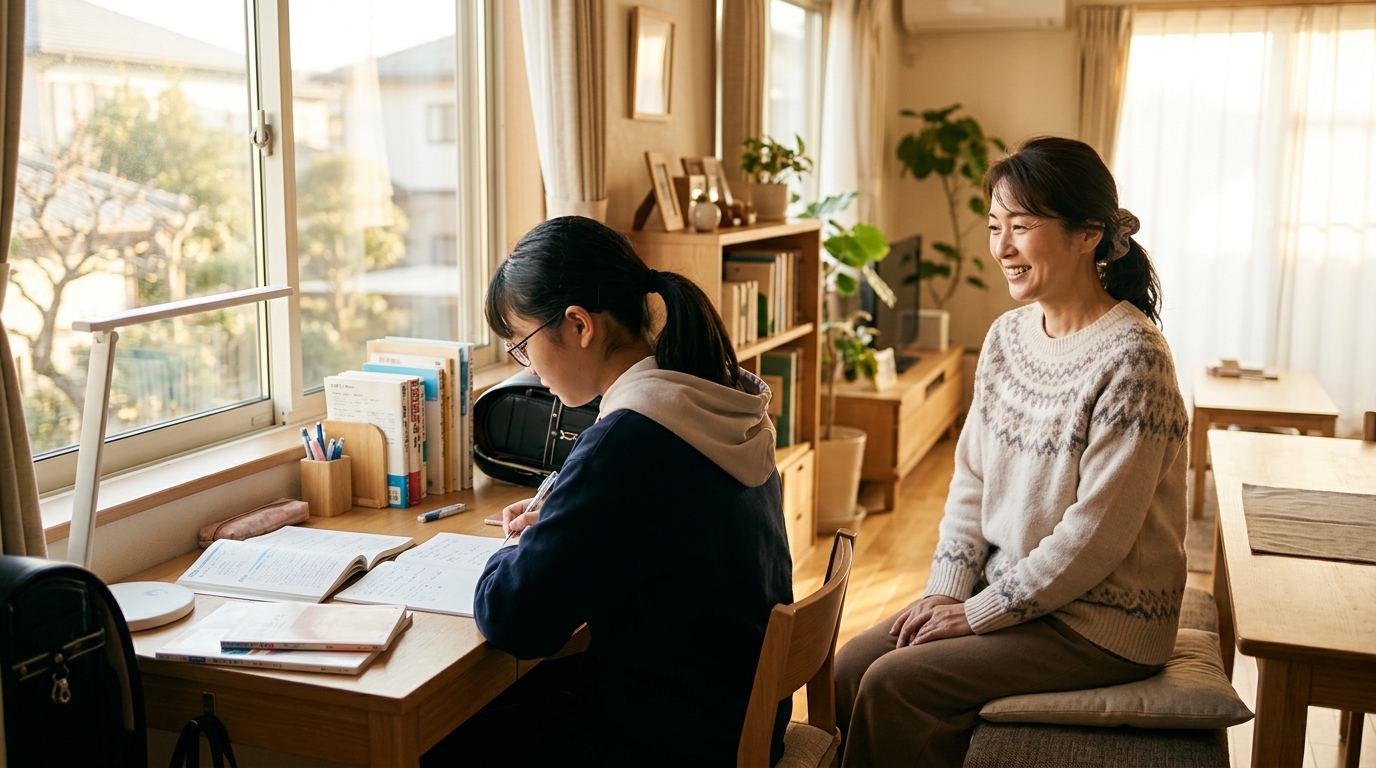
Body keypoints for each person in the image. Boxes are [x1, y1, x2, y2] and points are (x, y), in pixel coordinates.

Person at [833, 136, 1190, 767]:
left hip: (1102, 621)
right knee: (850, 666)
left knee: (894, 683)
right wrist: (947, 591)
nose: (1002, 247)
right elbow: (971, 480)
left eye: (1022, 227)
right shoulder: (1006, 337)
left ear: (1088, 234)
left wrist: (978, 614)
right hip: (1018, 593)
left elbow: (1096, 538)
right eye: (996, 226)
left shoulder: (1135, 359)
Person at [422, 215, 793, 768]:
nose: (525, 367)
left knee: (442, 737)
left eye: (521, 345)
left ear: (578, 325)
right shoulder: (711, 393)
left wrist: (518, 547)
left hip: (675, 742)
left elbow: (514, 618)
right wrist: (563, 517)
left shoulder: (631, 442)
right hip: (734, 714)